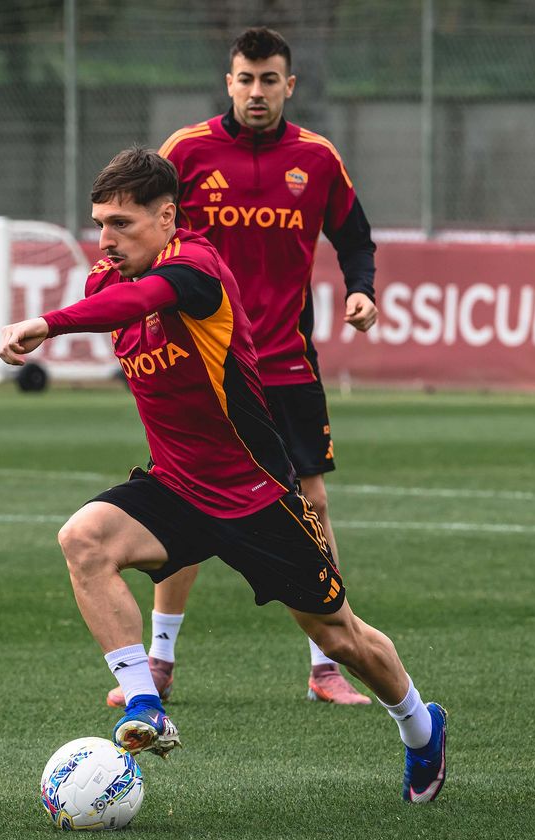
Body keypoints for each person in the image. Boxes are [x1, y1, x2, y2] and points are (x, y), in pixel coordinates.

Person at [0, 147, 446, 803]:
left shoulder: (196, 269)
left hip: (255, 495)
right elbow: (118, 297)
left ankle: (419, 728)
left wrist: (46, 324)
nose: (106, 238)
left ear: (166, 217)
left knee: (338, 636)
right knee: (83, 540)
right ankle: (145, 706)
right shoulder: (107, 276)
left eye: (122, 223)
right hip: (176, 486)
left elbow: (142, 299)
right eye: (99, 222)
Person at [104, 26, 378, 707]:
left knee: (311, 501)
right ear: (228, 83)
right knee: (188, 498)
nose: (256, 92)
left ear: (290, 84)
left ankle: (325, 665)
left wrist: (362, 288)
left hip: (285, 364)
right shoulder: (186, 152)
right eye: (245, 79)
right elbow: (138, 233)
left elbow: (353, 235)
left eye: (269, 79)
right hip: (202, 367)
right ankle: (160, 660)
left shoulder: (315, 159)